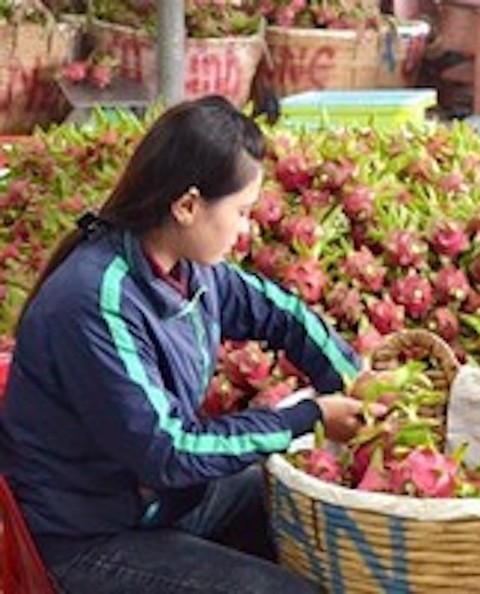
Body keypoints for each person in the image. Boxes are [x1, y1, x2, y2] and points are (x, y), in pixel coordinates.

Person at [0, 95, 384, 594]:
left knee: (296, 509)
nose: (248, 230)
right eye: (242, 212)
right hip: (90, 539)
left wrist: (354, 382)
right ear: (187, 206)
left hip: (162, 502)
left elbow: (282, 315)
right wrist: (306, 418)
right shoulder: (96, 301)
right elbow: (169, 452)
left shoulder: (190, 269)